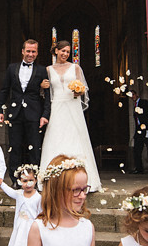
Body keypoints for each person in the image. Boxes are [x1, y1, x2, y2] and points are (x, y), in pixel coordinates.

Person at [39, 40, 102, 192]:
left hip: (72, 106)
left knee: (75, 138)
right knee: (55, 137)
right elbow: (45, 93)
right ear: (56, 51)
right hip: (57, 107)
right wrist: (42, 87)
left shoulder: (75, 68)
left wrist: (79, 91)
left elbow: (84, 88)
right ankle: (53, 179)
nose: (65, 54)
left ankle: (82, 179)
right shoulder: (48, 69)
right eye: (63, 51)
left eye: (68, 52)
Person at [0, 39, 50, 184]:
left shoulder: (42, 70)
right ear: (23, 51)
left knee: (34, 147)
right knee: (15, 146)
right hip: (15, 112)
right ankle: (15, 179)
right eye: (28, 51)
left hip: (34, 113)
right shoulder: (12, 68)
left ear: (37, 53)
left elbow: (48, 95)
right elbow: (5, 90)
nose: (30, 54)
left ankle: (35, 179)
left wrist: (45, 115)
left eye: (33, 51)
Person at [0, 164, 42, 246]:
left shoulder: (38, 197)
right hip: (20, 226)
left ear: (36, 180)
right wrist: (1, 183)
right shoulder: (19, 195)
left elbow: (40, 212)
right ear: (19, 181)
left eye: (31, 181)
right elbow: (9, 191)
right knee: (19, 245)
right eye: (24, 181)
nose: (28, 184)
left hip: (32, 227)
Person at [131, 92, 148, 174]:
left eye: (133, 95)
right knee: (137, 149)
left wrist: (147, 129)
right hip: (138, 129)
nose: (132, 97)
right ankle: (139, 168)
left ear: (136, 95)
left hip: (145, 128)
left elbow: (147, 115)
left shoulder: (144, 102)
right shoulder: (135, 105)